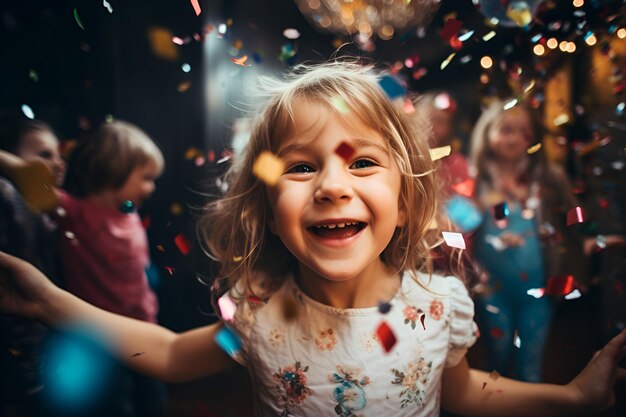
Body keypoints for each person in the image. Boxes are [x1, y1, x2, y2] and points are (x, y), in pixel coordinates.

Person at [0, 62, 625, 417]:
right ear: (270, 212)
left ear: (406, 203)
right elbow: (166, 354)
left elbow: (463, 391)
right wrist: (48, 301)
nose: (331, 185)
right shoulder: (256, 312)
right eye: (300, 167)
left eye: (361, 164)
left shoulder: (440, 307)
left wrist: (570, 398)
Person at [0, 120, 166, 416]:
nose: (151, 187)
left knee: (153, 403)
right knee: (119, 408)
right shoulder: (75, 214)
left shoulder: (128, 214)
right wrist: (14, 166)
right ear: (115, 171)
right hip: (102, 340)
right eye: (146, 177)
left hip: (146, 331)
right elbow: (29, 182)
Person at [468, 99, 587, 382]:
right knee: (498, 356)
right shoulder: (475, 180)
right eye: (505, 129)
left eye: (522, 131)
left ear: (531, 137)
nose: (514, 137)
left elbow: (576, 215)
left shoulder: (548, 176)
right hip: (491, 289)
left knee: (531, 360)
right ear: (487, 134)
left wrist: (580, 241)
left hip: (540, 288)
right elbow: (456, 226)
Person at [0, 118, 66, 416]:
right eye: (44, 154)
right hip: (14, 349)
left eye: (58, 155)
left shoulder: (47, 209)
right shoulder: (7, 195)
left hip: (41, 344)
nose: (57, 162)